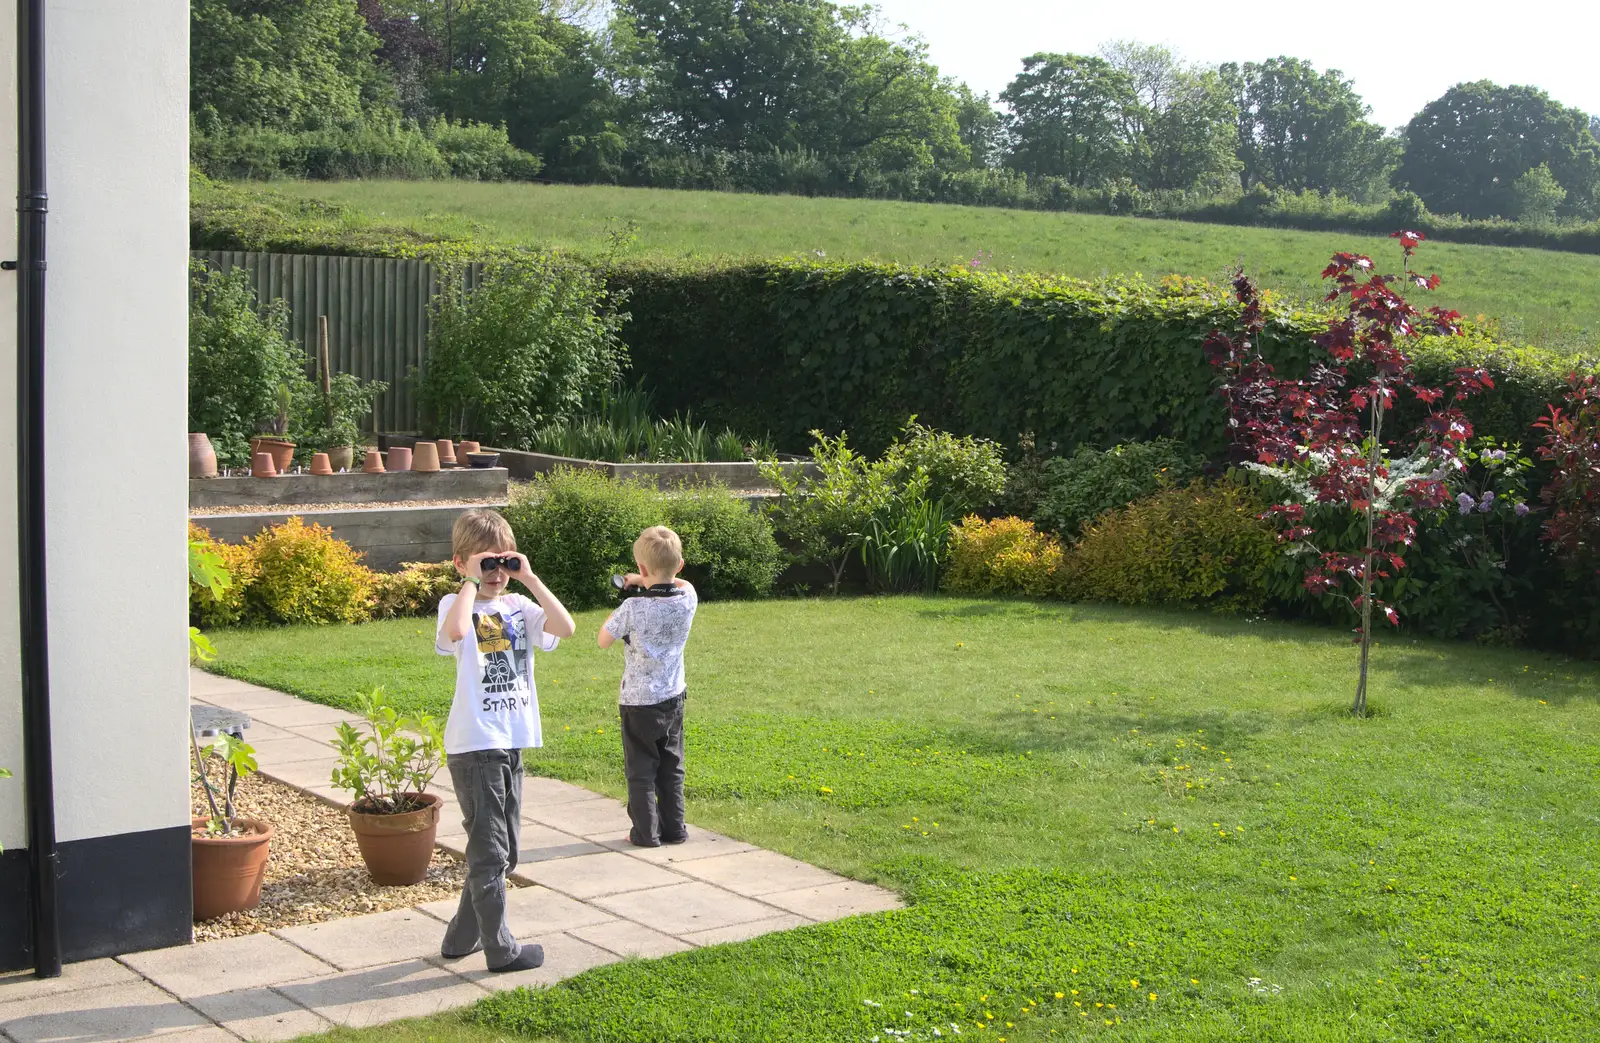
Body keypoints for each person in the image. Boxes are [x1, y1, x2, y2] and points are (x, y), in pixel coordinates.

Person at [435, 508, 575, 972]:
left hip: (511, 741)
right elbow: (455, 633)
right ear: (462, 564)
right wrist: (471, 584)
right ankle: (501, 950)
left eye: (504, 563)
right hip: (476, 744)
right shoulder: (457, 606)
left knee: (501, 850)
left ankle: (461, 938)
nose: (498, 574)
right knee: (492, 851)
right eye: (486, 564)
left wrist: (529, 578)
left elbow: (564, 628)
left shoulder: (518, 607)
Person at [597, 526, 698, 847]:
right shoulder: (688, 599)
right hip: (673, 697)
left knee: (641, 770)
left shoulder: (632, 608)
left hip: (638, 702)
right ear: (680, 564)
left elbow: (603, 640)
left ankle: (645, 833)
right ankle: (675, 829)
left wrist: (636, 587)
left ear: (640, 568)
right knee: (671, 766)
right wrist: (646, 579)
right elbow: (681, 583)